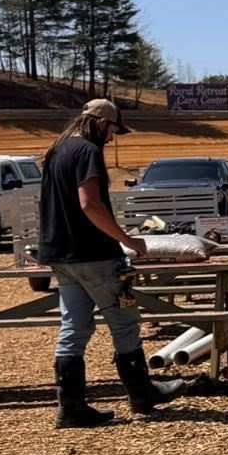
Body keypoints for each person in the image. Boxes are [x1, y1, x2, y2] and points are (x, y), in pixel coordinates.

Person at [37, 98, 190, 428]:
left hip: (61, 256)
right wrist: (127, 240)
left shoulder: (56, 150)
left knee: (73, 328)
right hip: (95, 254)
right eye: (112, 130)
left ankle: (71, 407)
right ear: (100, 123)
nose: (111, 138)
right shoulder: (87, 152)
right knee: (124, 320)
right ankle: (142, 394)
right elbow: (89, 203)